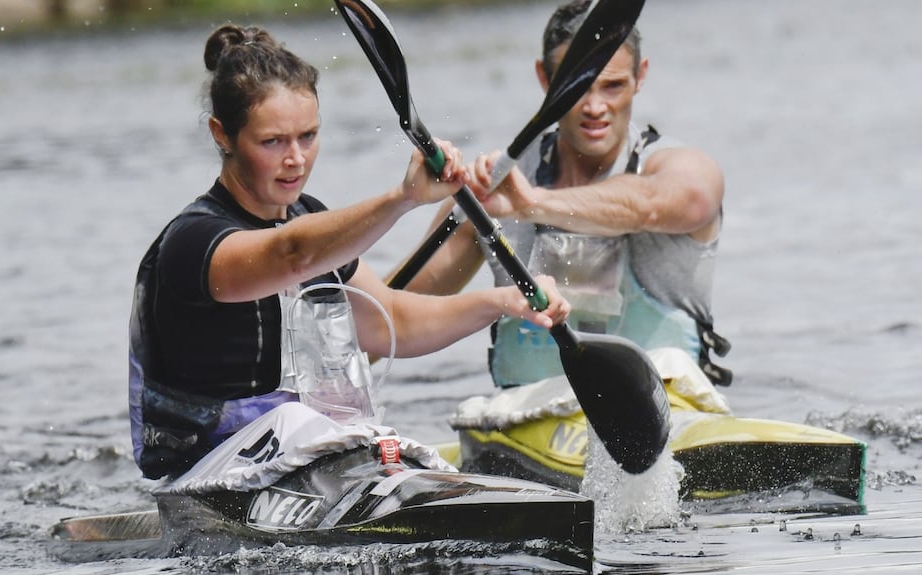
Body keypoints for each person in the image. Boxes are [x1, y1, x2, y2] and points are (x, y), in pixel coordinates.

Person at [127, 24, 570, 480]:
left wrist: (504, 303)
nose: (296, 158)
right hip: (207, 467)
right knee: (311, 425)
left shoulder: (311, 218)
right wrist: (403, 198)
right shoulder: (193, 241)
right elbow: (292, 254)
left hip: (300, 451)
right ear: (223, 134)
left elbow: (391, 322)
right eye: (272, 141)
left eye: (309, 135)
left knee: (363, 434)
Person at [396, 0, 730, 388]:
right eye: (578, 86)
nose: (594, 107)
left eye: (613, 86)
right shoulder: (492, 189)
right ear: (545, 78)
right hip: (524, 420)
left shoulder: (683, 169)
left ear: (641, 76)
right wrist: (403, 199)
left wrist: (532, 204)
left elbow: (651, 205)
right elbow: (393, 320)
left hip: (670, 410)